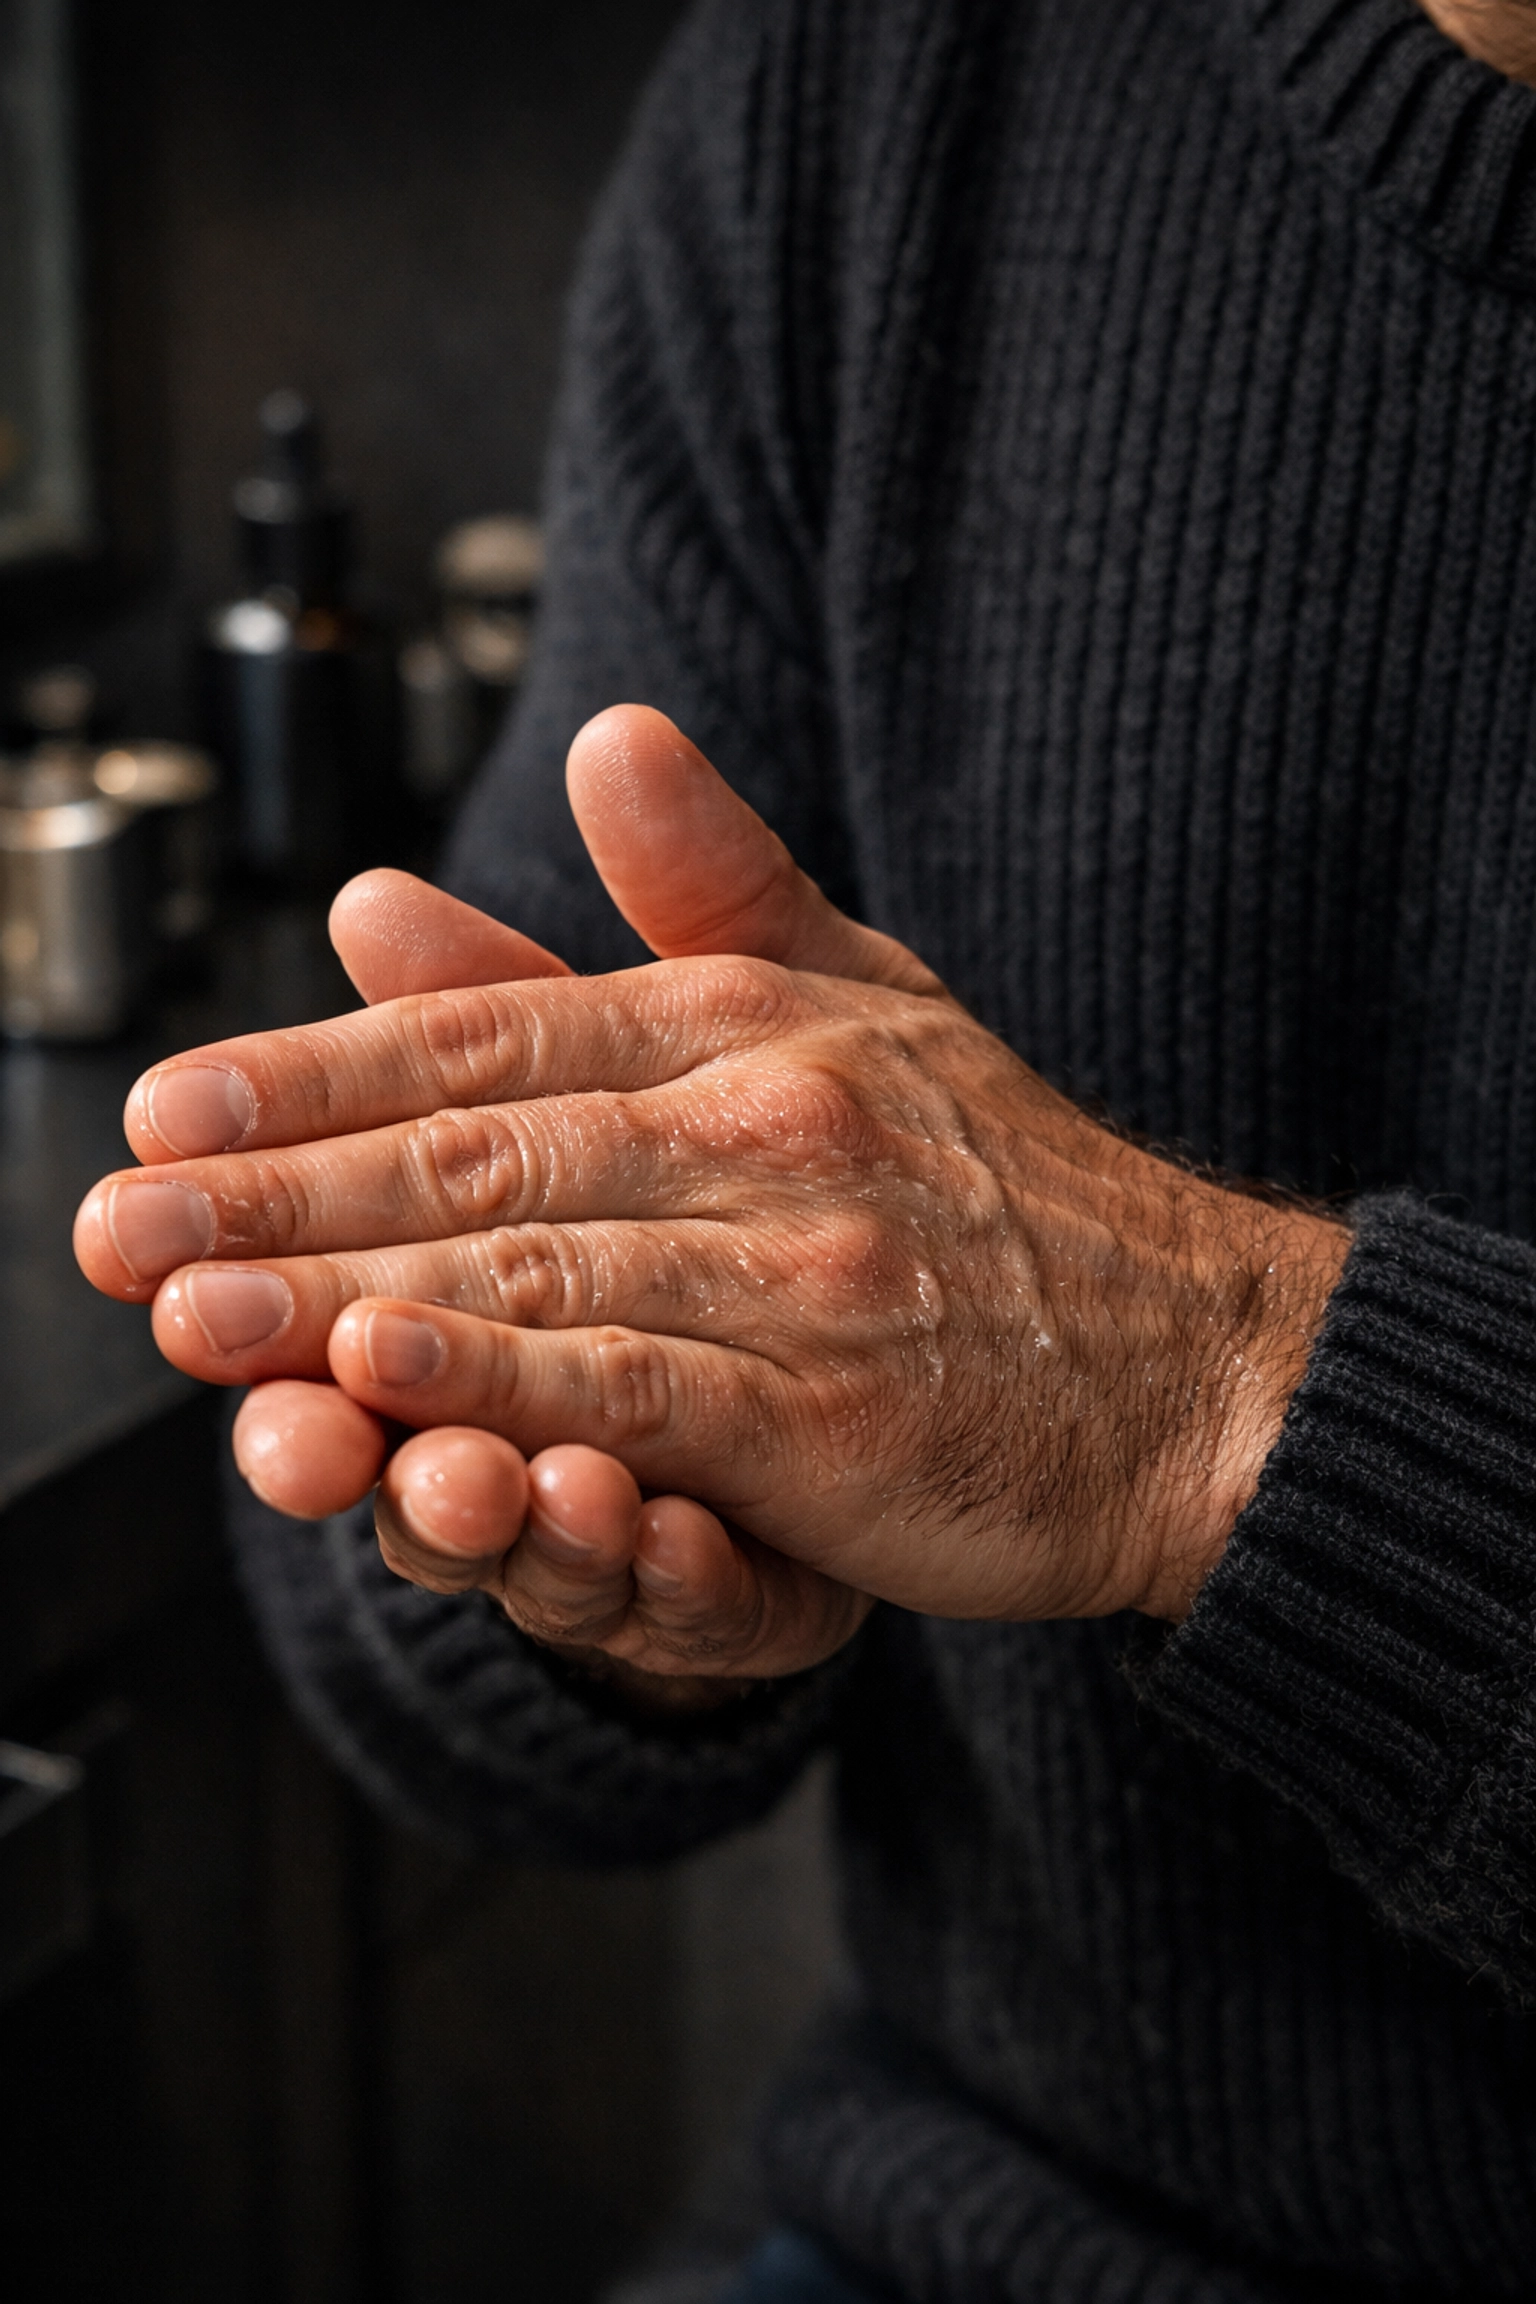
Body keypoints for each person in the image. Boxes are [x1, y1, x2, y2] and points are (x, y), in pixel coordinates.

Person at [75, 0, 1536, 2294]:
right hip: (972, 2232)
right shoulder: (866, 93)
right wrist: (633, 1545)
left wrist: (1214, 1407)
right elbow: (410, 1573)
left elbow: (1132, 1386)